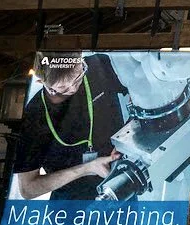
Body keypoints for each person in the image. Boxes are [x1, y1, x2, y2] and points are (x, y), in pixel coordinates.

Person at [13, 52, 128, 200]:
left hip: (120, 184)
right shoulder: (34, 117)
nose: (73, 88)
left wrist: (127, 138)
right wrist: (87, 168)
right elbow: (28, 189)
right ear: (43, 82)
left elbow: (140, 92)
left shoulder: (99, 65)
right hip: (70, 203)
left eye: (78, 77)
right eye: (63, 88)